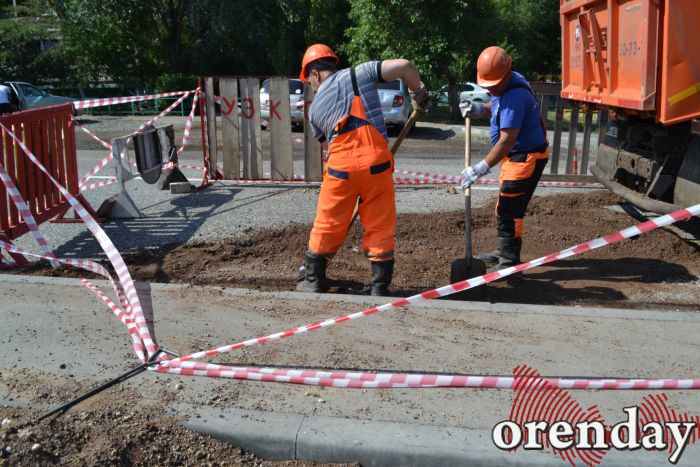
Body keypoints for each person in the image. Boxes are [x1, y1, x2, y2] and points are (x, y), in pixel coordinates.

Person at [296, 44, 431, 296]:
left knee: (328, 222)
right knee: (380, 224)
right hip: (376, 165)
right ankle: (379, 287)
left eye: (310, 82)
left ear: (315, 74)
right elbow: (405, 66)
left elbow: (329, 147)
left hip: (340, 169)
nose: (312, 88)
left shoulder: (313, 110)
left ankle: (313, 278)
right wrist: (418, 93)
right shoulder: (361, 73)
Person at [460, 46, 549, 272]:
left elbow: (507, 140)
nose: (491, 90)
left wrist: (480, 168)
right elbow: (498, 106)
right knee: (505, 207)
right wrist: (479, 109)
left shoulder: (515, 95)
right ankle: (504, 251)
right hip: (517, 158)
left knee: (509, 211)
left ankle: (509, 263)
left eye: (494, 85)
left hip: (525, 158)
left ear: (507, 73)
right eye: (487, 86)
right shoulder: (507, 85)